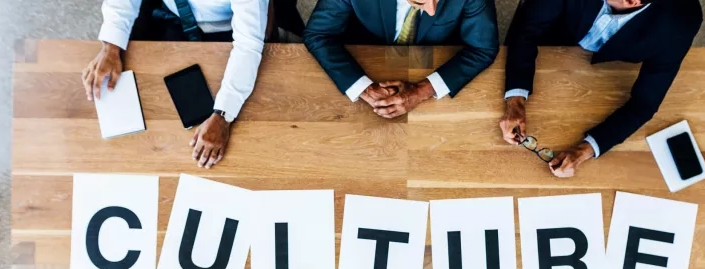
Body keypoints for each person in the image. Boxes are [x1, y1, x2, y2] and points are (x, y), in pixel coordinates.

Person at [500, 0, 702, 178]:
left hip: (603, 66)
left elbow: (645, 103)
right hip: (552, 38)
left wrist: (585, 150)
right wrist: (516, 99)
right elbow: (527, 30)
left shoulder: (679, 22)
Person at [81, 0, 292, 170]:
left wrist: (223, 115)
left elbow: (247, 46)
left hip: (225, 29)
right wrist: (111, 46)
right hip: (167, 14)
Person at [304, 0, 499, 119]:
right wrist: (364, 88)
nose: (431, 11)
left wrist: (421, 91)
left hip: (433, 58)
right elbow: (318, 34)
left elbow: (483, 48)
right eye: (420, 2)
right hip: (365, 52)